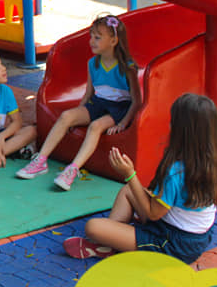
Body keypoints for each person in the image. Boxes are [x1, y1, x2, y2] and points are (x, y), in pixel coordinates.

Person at [64, 93, 217, 263]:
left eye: (172, 121)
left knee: (93, 227)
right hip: (197, 238)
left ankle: (110, 244)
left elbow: (153, 213)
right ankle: (114, 239)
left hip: (174, 244)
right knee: (128, 192)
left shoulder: (176, 171)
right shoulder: (213, 160)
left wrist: (129, 174)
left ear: (181, 130)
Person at [16, 14, 141, 191]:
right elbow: (89, 94)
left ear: (113, 41)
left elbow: (136, 100)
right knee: (66, 116)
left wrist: (123, 123)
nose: (92, 41)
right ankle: (41, 160)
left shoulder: (128, 68)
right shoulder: (93, 63)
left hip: (118, 108)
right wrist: (77, 116)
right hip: (98, 103)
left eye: (97, 37)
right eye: (92, 36)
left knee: (96, 126)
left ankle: (72, 170)